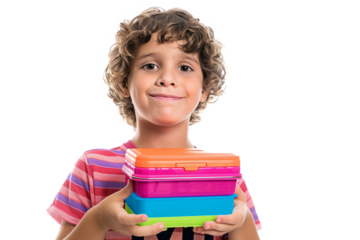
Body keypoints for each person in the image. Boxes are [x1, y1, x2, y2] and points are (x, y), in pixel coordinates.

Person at [46, 6, 262, 240]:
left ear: (205, 89)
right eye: (150, 66)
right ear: (124, 83)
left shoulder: (223, 173)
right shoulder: (93, 166)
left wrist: (243, 221)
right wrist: (99, 220)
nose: (167, 79)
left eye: (185, 68)